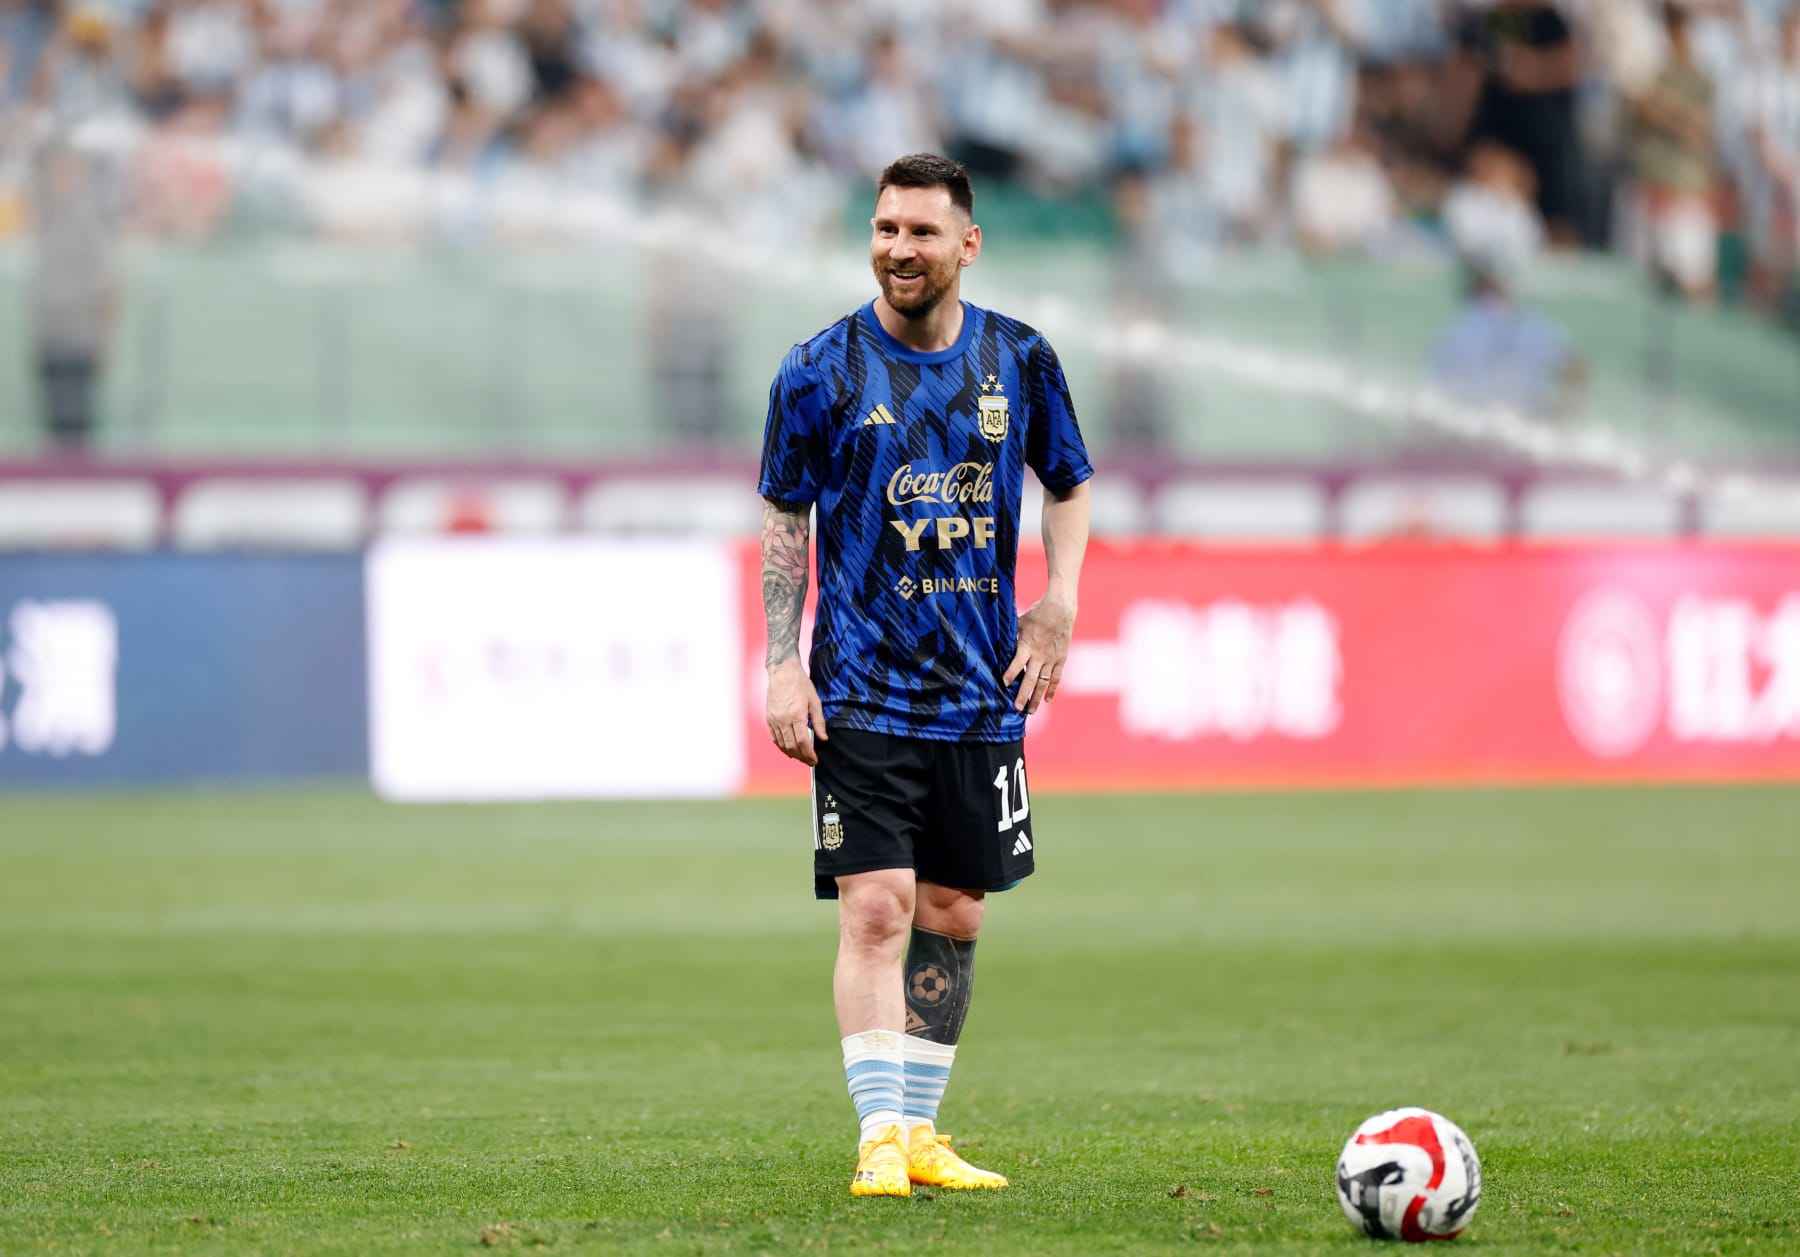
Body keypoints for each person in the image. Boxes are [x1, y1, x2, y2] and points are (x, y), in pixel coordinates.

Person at [756, 153, 1093, 1198]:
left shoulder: (1019, 360)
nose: (899, 248)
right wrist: (779, 661)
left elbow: (1069, 482)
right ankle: (877, 1140)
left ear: (967, 245)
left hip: (981, 692)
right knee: (875, 911)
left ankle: (922, 1131)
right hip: (857, 689)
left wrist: (1060, 597)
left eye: (921, 232)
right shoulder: (817, 369)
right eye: (885, 228)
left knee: (956, 912)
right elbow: (784, 513)